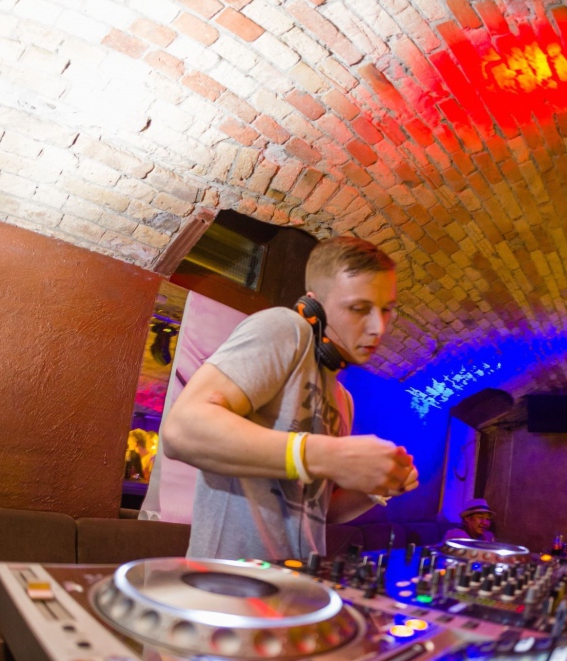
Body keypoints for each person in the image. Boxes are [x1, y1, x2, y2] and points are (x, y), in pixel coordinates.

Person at [160, 236, 419, 560]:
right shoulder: (285, 328)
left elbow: (319, 512)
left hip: (294, 581)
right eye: (358, 308)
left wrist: (375, 488)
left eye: (386, 310)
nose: (378, 327)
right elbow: (182, 430)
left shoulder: (343, 399)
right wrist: (330, 455)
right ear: (314, 305)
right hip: (227, 579)